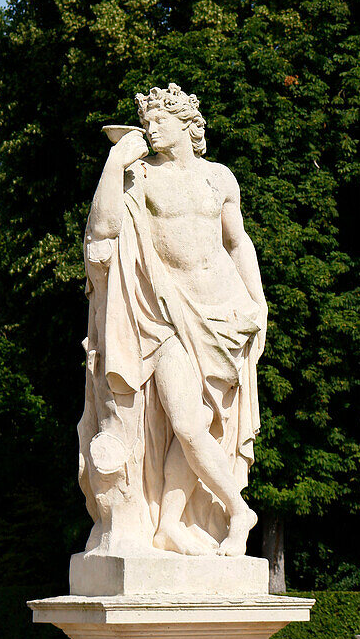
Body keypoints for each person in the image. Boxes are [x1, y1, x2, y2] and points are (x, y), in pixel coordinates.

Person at [77, 82, 266, 557]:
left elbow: (237, 243)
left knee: (201, 423)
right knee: (186, 419)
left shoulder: (219, 178)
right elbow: (101, 230)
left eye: (159, 121)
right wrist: (114, 162)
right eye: (147, 122)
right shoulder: (138, 176)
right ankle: (239, 510)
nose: (150, 129)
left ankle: (170, 524)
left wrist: (258, 302)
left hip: (223, 310)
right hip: (163, 311)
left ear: (186, 124)